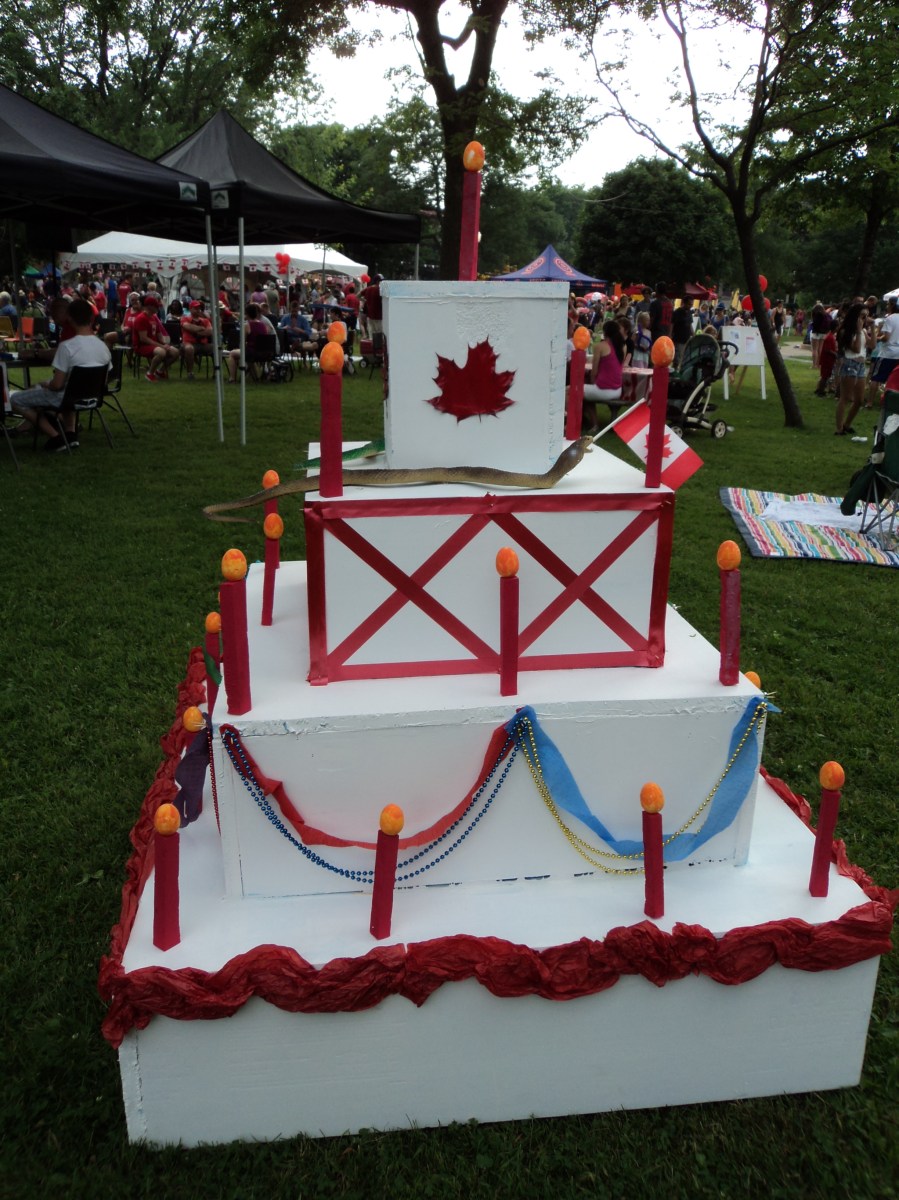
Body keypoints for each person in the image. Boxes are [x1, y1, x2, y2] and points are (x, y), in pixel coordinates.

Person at [9, 297, 110, 451]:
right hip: (92, 397)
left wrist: (46, 384)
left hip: (66, 397)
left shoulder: (67, 347)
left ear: (69, 317)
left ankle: (56, 437)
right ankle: (70, 435)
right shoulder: (102, 347)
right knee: (62, 390)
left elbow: (56, 385)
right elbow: (104, 378)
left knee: (15, 399)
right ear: (91, 318)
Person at [581, 320, 626, 432]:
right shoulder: (622, 347)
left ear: (605, 332)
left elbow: (594, 371)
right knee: (587, 394)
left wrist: (592, 382)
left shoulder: (600, 346)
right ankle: (593, 423)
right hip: (617, 389)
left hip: (604, 389)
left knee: (572, 389)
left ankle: (575, 421)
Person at [835, 301, 867, 435]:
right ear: (855, 316)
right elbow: (856, 348)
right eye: (862, 316)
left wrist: (870, 328)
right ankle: (839, 428)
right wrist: (859, 332)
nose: (864, 320)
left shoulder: (863, 330)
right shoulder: (845, 331)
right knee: (846, 397)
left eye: (866, 317)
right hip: (850, 364)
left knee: (859, 400)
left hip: (861, 365)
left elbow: (872, 345)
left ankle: (847, 424)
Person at [133, 294, 179, 381]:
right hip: (141, 346)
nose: (158, 308)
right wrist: (162, 346)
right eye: (156, 306)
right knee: (161, 352)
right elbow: (143, 339)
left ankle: (160, 371)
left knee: (175, 352)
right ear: (150, 307)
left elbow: (159, 334)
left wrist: (165, 344)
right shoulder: (141, 318)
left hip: (153, 344)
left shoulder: (154, 317)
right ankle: (150, 374)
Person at [227, 302, 268, 382]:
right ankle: (256, 377)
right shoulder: (263, 325)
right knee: (247, 354)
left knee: (232, 353)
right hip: (263, 352)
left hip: (252, 352)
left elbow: (242, 342)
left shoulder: (247, 325)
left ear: (247, 314)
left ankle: (232, 378)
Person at [180, 300, 212, 379]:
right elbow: (188, 326)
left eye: (199, 308)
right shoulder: (185, 319)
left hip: (203, 344)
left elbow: (210, 331)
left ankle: (216, 373)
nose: (198, 310)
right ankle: (190, 372)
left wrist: (196, 331)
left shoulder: (205, 320)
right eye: (196, 308)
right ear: (190, 309)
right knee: (189, 349)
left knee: (217, 348)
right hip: (188, 343)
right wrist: (201, 328)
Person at [872, 296, 899, 385]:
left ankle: (870, 399)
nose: (886, 307)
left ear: (892, 305)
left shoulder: (890, 318)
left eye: (887, 304)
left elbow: (886, 338)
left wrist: (877, 338)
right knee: (892, 380)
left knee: (876, 378)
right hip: (897, 354)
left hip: (887, 353)